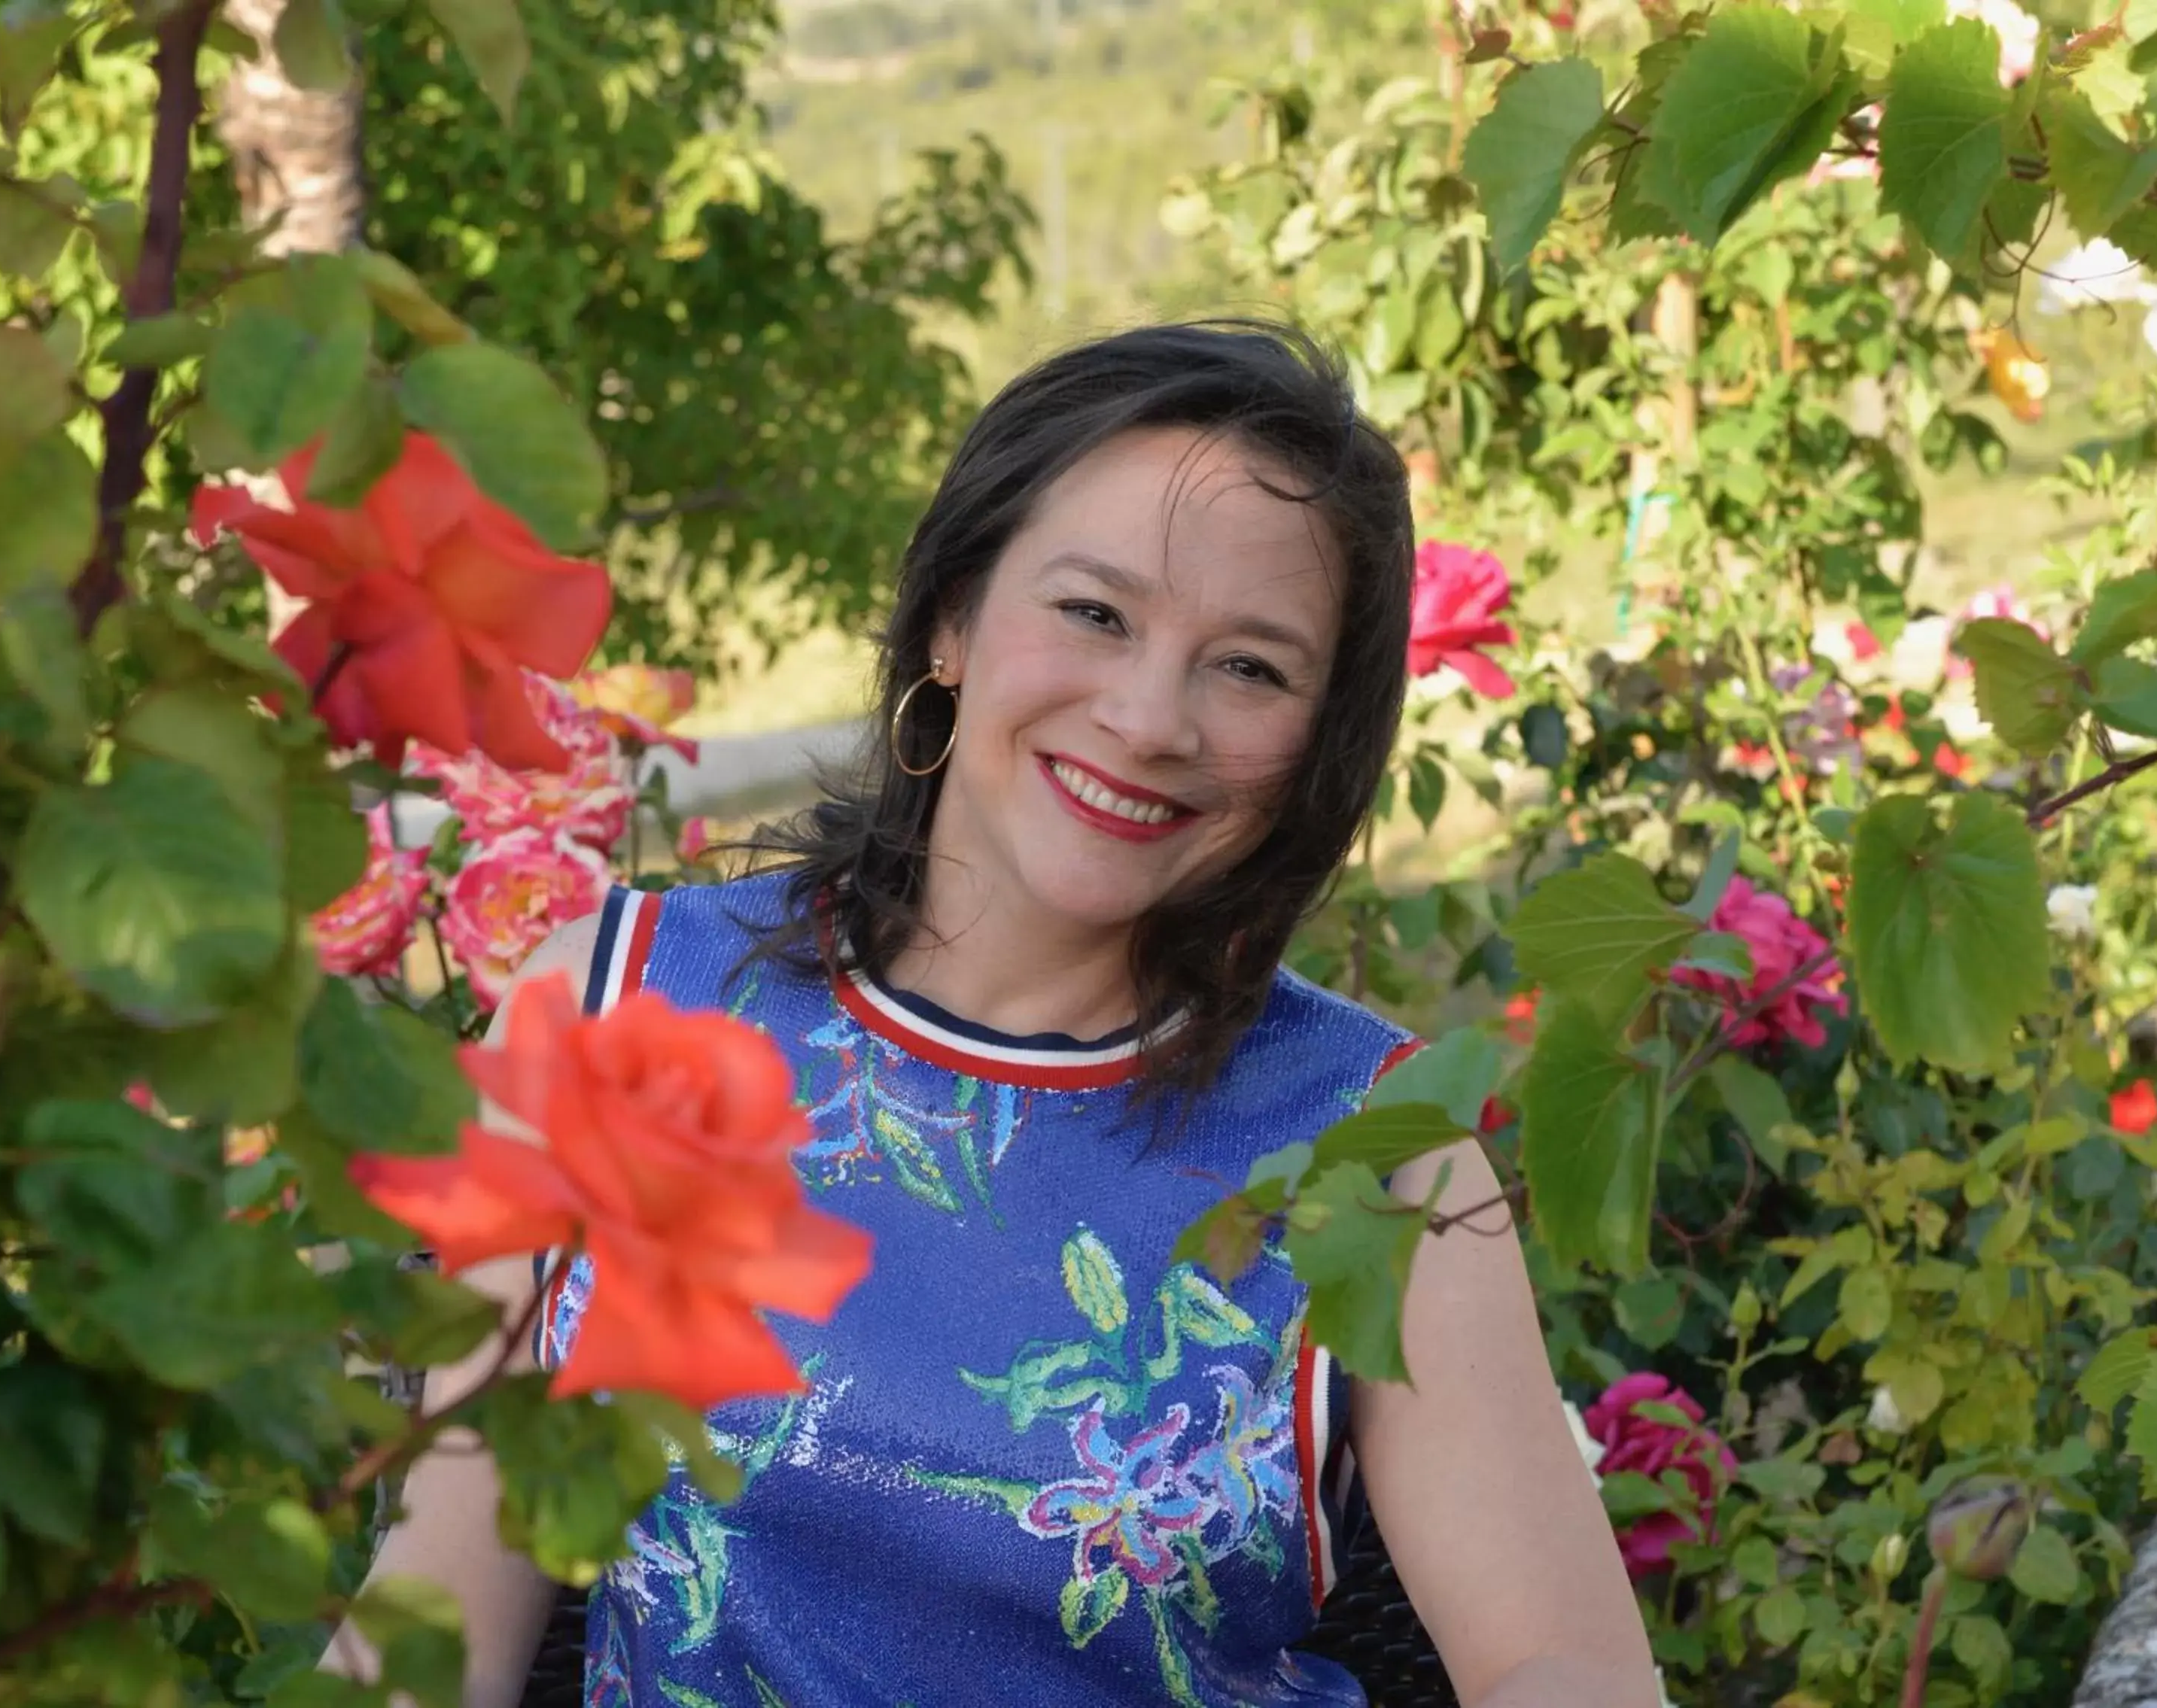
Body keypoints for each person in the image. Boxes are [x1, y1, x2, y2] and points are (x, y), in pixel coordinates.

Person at [323, 322, 1657, 1708]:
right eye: (1094, 613)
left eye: (1250, 666)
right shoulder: (607, 1006)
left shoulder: (1376, 1158)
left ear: (1320, 739)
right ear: (953, 616)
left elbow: (1560, 1663)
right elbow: (434, 1615)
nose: (1150, 718)